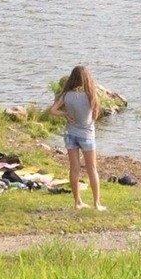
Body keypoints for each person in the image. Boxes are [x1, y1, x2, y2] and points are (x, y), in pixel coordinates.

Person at [48, 65, 105, 210]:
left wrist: (65, 114)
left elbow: (53, 110)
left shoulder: (66, 95)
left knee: (74, 169)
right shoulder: (90, 94)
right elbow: (95, 115)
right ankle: (96, 203)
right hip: (86, 135)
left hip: (70, 134)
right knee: (92, 169)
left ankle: (78, 202)